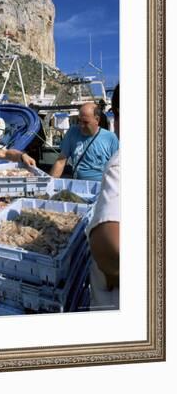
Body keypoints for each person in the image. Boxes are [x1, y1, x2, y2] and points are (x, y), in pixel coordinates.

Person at [86, 84, 120, 310]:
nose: (80, 124)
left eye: (84, 120)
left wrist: (111, 276)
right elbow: (61, 160)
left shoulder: (119, 158)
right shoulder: (71, 135)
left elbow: (111, 245)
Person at [49, 102, 118, 182]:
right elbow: (61, 161)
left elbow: (117, 168)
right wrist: (50, 184)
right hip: (78, 184)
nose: (81, 125)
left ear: (97, 120)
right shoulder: (72, 132)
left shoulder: (110, 138)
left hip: (101, 186)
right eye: (79, 121)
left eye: (85, 122)